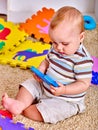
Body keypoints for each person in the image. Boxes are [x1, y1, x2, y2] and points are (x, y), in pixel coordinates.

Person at [2, 6, 93, 124]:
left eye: (65, 43)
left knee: (46, 111)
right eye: (54, 42)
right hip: (45, 85)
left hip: (66, 99)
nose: (59, 47)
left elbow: (84, 84)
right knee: (28, 85)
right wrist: (41, 69)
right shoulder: (56, 48)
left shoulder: (82, 60)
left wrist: (64, 90)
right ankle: (20, 104)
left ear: (81, 37)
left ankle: (28, 109)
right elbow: (47, 60)